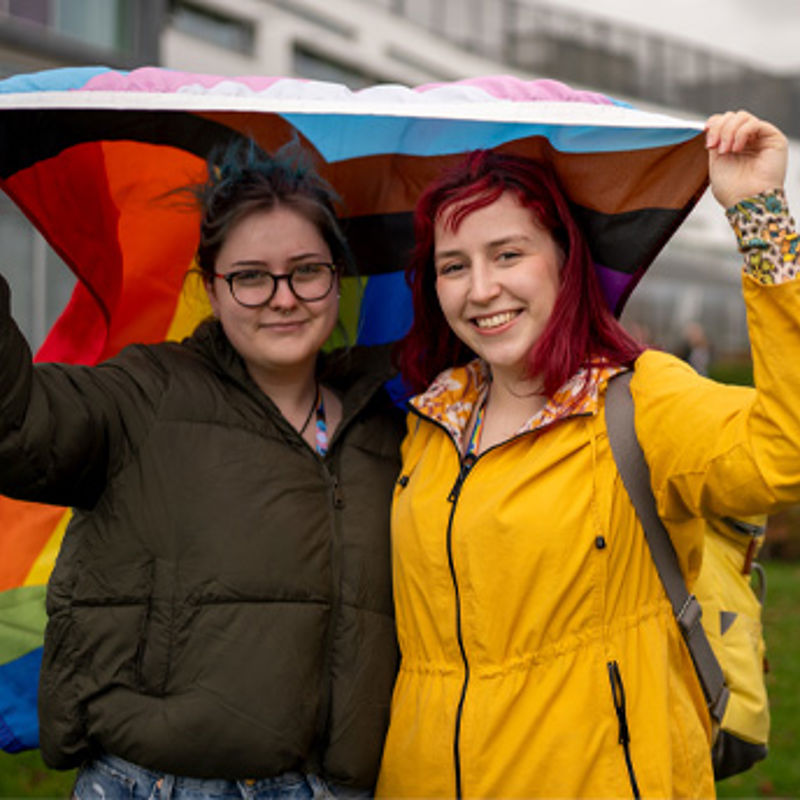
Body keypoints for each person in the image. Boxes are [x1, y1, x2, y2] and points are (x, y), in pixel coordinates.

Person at [376, 111, 800, 798]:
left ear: (564, 261)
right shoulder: (429, 421)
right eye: (454, 266)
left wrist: (759, 217)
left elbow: (787, 452)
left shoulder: (639, 402)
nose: (481, 289)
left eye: (508, 255)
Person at [0, 140, 404, 798]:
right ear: (211, 289)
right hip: (158, 785)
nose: (283, 297)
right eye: (250, 276)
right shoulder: (145, 395)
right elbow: (15, 428)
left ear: (337, 279)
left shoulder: (389, 427)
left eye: (307, 270)